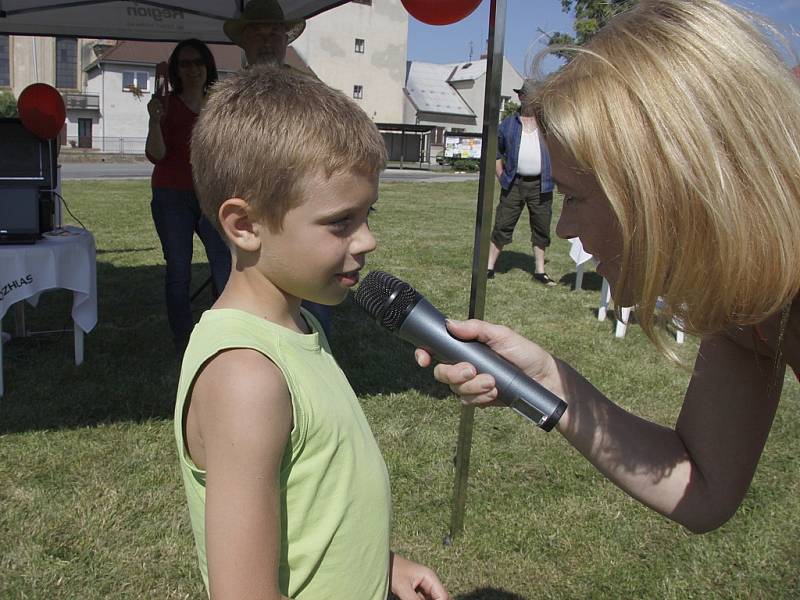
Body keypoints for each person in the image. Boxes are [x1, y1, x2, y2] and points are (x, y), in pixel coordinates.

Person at [416, 0, 800, 534]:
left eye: (572, 198)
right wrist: (549, 378)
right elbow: (702, 486)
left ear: (663, 188)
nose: (566, 229)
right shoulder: (742, 303)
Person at [175, 65, 449, 600]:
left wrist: (381, 565)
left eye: (369, 214)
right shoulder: (246, 378)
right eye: (342, 222)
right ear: (245, 226)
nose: (368, 239)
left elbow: (310, 508)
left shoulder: (294, 325)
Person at [223, 0, 333, 336]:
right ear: (244, 40)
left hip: (297, 210)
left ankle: (315, 356)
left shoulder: (311, 91)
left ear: (286, 40)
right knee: (243, 289)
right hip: (242, 213)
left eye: (275, 32)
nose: (268, 39)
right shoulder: (226, 96)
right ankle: (252, 353)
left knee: (311, 291)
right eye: (258, 32)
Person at [146, 39, 231, 357]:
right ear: (175, 69)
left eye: (198, 62)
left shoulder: (219, 105)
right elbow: (156, 155)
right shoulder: (165, 105)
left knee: (224, 263)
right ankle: (183, 337)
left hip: (210, 195)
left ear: (208, 65)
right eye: (185, 63)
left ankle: (224, 330)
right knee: (178, 269)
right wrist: (154, 120)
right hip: (172, 195)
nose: (193, 68)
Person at [487, 79, 556, 286]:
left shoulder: (548, 126)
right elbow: (495, 152)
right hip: (514, 184)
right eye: (531, 97)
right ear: (521, 97)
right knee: (502, 224)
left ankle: (540, 271)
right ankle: (489, 267)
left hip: (541, 185)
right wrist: (500, 175)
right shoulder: (508, 125)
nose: (534, 102)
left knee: (541, 226)